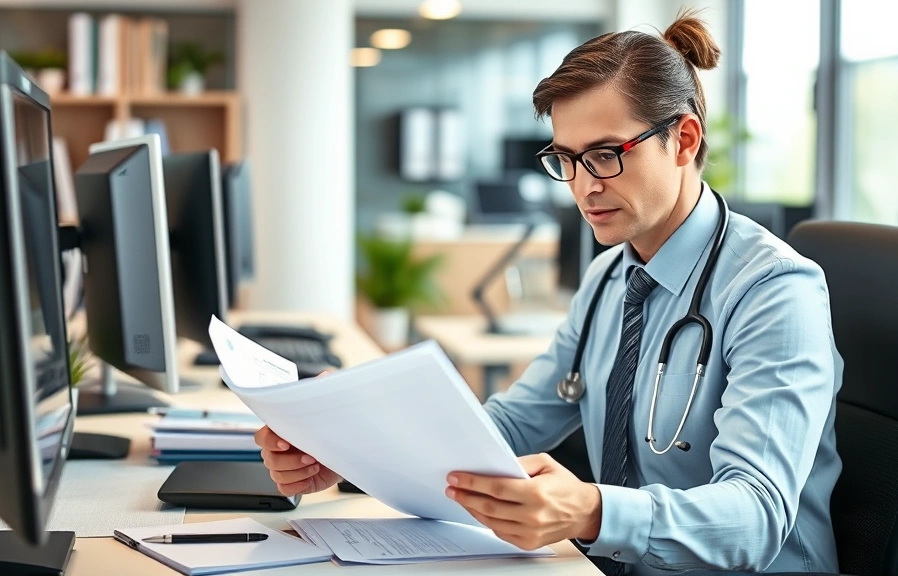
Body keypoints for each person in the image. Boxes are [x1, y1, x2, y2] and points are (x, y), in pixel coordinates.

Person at [255, 10, 842, 575]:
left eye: (607, 155)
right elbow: (508, 426)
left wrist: (590, 509)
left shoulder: (772, 292)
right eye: (567, 159)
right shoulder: (611, 277)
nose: (584, 188)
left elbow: (758, 518)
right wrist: (354, 449)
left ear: (684, 140)